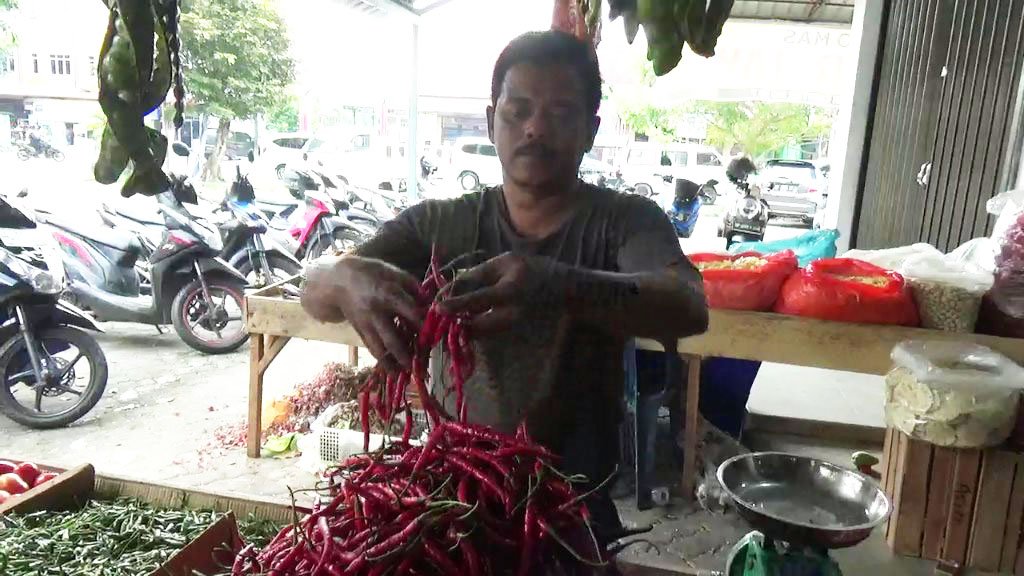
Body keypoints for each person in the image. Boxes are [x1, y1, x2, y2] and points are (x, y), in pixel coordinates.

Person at [301, 30, 708, 544]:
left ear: (590, 129)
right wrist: (342, 276)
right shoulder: (439, 225)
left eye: (561, 113)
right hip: (453, 497)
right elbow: (311, 289)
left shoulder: (626, 221)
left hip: (571, 504)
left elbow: (689, 305)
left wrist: (557, 285)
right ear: (492, 119)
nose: (536, 128)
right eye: (518, 110)